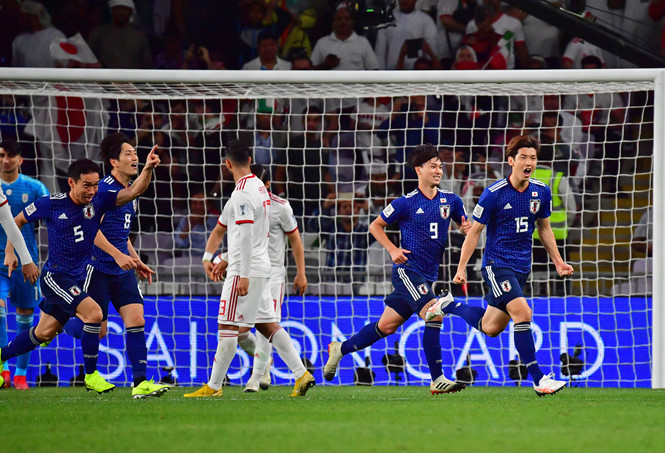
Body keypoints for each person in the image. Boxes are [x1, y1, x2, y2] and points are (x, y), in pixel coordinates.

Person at [0, 149, 160, 394]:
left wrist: (148, 168)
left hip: (78, 277)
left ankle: (1, 356)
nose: (92, 191)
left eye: (95, 185)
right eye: (86, 185)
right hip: (55, 277)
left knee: (42, 333)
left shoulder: (98, 201)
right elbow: (16, 220)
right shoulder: (51, 204)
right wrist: (16, 254)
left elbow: (133, 191)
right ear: (71, 183)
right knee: (94, 314)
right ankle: (91, 376)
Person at [427, 135, 574, 396]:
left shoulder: (541, 191)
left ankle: (447, 305)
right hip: (496, 265)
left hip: (521, 267)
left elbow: (545, 228)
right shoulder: (494, 194)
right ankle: (539, 379)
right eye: (524, 158)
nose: (529, 162)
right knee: (523, 314)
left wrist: (559, 262)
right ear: (511, 161)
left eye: (533, 158)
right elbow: (474, 232)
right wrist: (461, 268)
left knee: (491, 328)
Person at [324, 144, 471, 394]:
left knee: (386, 327)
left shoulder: (452, 201)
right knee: (434, 313)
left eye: (440, 166)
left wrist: (465, 229)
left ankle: (341, 348)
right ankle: (437, 379)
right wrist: (393, 250)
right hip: (407, 270)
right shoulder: (406, 203)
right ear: (418, 170)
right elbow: (375, 226)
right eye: (432, 166)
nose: (438, 170)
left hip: (428, 275)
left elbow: (464, 225)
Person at [184, 141, 315, 398]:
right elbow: (248, 234)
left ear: (227, 164)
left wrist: (239, 271)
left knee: (228, 326)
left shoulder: (242, 192)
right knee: (268, 325)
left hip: (247, 269)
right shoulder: (259, 186)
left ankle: (213, 386)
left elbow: (244, 236)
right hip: (262, 265)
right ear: (250, 158)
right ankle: (301, 374)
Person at [62, 133, 169, 398]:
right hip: (97, 268)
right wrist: (118, 255)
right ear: (113, 161)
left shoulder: (128, 192)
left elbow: (122, 233)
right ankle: (62, 319)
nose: (134, 157)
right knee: (98, 330)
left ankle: (141, 383)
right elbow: (92, 231)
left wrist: (134, 259)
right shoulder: (103, 190)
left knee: (137, 319)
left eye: (135, 153)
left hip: (121, 271)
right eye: (128, 154)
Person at [213, 163, 308, 391]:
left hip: (271, 274)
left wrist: (301, 272)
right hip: (251, 268)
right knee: (252, 329)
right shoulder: (242, 201)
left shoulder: (280, 207)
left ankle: (255, 376)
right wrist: (220, 257)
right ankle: (294, 371)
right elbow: (236, 236)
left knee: (250, 325)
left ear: (266, 184)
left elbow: (294, 239)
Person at [0, 139, 49, 389]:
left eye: (10, 155)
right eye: (1, 155)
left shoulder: (35, 187)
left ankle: (20, 374)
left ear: (20, 159)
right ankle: (3, 369)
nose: (5, 160)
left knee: (25, 317)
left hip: (26, 262)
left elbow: (52, 216)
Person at [310, 3, 379, 70]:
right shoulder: (322, 43)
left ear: (352, 22)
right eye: (339, 18)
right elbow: (310, 71)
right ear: (334, 22)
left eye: (347, 18)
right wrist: (325, 65)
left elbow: (373, 69)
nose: (343, 22)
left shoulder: (363, 42)